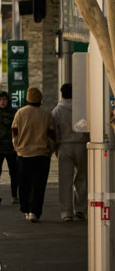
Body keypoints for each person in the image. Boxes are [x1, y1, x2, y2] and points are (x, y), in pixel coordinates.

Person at [12, 85, 57, 221]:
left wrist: (17, 148)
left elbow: (14, 133)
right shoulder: (46, 115)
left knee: (24, 184)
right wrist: (50, 150)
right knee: (38, 185)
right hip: (41, 155)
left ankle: (25, 209)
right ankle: (34, 212)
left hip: (24, 154)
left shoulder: (20, 113)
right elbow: (51, 137)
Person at [51, 82, 87, 222]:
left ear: (62, 94)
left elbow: (54, 131)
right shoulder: (82, 109)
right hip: (82, 145)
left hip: (64, 147)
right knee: (82, 178)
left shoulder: (57, 110)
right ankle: (80, 210)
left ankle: (66, 212)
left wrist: (55, 148)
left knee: (65, 181)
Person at [0, 91, 20, 203]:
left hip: (11, 148)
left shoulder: (14, 113)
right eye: (0, 100)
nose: (2, 102)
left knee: (14, 172)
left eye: (4, 100)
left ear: (8, 100)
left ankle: (14, 195)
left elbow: (18, 130)